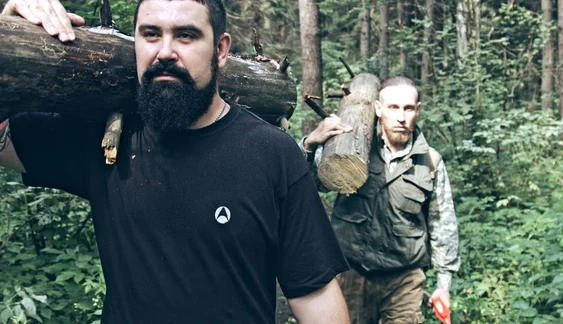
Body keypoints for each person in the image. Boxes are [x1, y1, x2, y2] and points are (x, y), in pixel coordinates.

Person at [0, 0, 351, 322]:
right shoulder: (105, 138)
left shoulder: (272, 153)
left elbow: (315, 293)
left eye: (186, 35)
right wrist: (7, 35)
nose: (164, 52)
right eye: (150, 34)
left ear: (221, 49)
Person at [299, 76, 460, 324]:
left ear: (418, 110)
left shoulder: (429, 161)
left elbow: (442, 224)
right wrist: (310, 144)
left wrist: (443, 285)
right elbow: (312, 186)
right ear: (378, 109)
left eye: (408, 108)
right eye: (393, 108)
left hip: (403, 280)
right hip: (351, 272)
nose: (401, 117)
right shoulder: (354, 145)